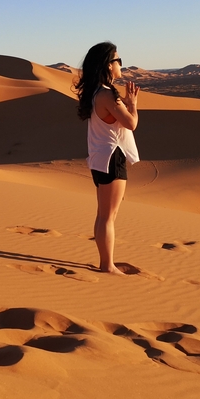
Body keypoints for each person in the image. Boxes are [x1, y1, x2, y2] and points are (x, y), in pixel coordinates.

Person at [75, 42, 140, 274]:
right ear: (107, 65)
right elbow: (131, 123)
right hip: (112, 157)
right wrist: (132, 105)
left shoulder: (95, 93)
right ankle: (107, 265)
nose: (120, 64)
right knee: (108, 217)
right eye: (117, 60)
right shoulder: (106, 93)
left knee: (103, 215)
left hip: (101, 158)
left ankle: (106, 261)